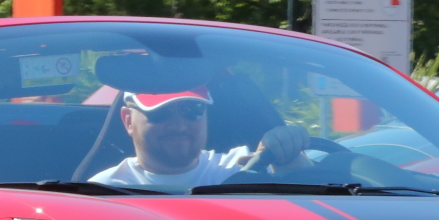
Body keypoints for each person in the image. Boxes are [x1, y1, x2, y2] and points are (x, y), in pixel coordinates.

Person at [89, 84, 311, 192]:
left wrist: (288, 156)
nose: (178, 126)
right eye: (160, 113)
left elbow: (308, 207)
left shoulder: (242, 171)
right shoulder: (103, 192)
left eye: (192, 110)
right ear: (128, 120)